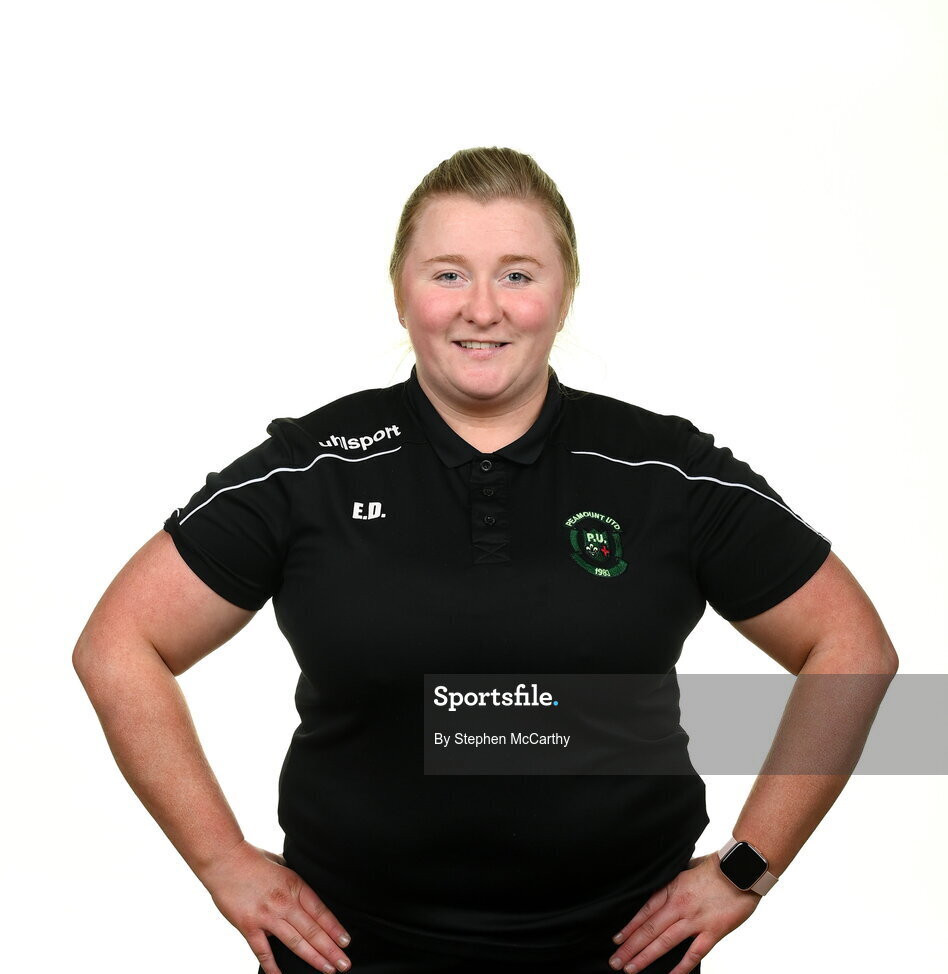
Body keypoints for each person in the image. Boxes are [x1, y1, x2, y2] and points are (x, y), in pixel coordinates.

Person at [73, 146, 898, 974]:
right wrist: (222, 861)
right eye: (447, 275)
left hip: (619, 953)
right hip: (351, 952)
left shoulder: (664, 472)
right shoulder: (311, 470)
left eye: (516, 274)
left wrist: (745, 870)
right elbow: (118, 645)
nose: (482, 309)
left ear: (564, 293)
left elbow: (853, 649)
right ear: (400, 293)